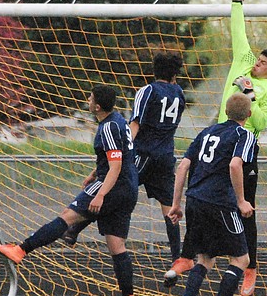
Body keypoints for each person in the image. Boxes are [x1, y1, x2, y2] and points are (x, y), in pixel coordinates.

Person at [165, 0, 267, 296]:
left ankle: (249, 268)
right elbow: (238, 30)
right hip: (217, 139)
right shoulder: (243, 61)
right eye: (257, 59)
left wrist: (249, 95)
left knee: (245, 208)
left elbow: (259, 121)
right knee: (201, 198)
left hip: (243, 147)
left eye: (262, 63)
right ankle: (190, 257)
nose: (256, 63)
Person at [0, 85, 139, 296]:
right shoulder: (119, 120)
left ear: (97, 105)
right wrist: (94, 173)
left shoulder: (108, 126)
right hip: (127, 188)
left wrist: (100, 194)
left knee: (67, 217)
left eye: (90, 98)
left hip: (113, 185)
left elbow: (116, 165)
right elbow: (117, 156)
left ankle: (21, 250)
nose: (88, 100)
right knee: (116, 246)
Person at [63, 52, 185, 266]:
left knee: (112, 188)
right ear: (174, 74)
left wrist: (120, 152)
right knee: (168, 210)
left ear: (154, 70)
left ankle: (75, 228)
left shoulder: (148, 91)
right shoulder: (179, 94)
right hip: (166, 157)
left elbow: (135, 125)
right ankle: (177, 257)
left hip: (142, 154)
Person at [166, 92, 257, 296]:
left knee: (205, 258)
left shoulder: (207, 132)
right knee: (241, 258)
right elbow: (235, 165)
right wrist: (241, 201)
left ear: (226, 112)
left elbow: (183, 166)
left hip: (195, 200)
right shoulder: (244, 134)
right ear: (248, 115)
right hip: (220, 202)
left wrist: (176, 204)